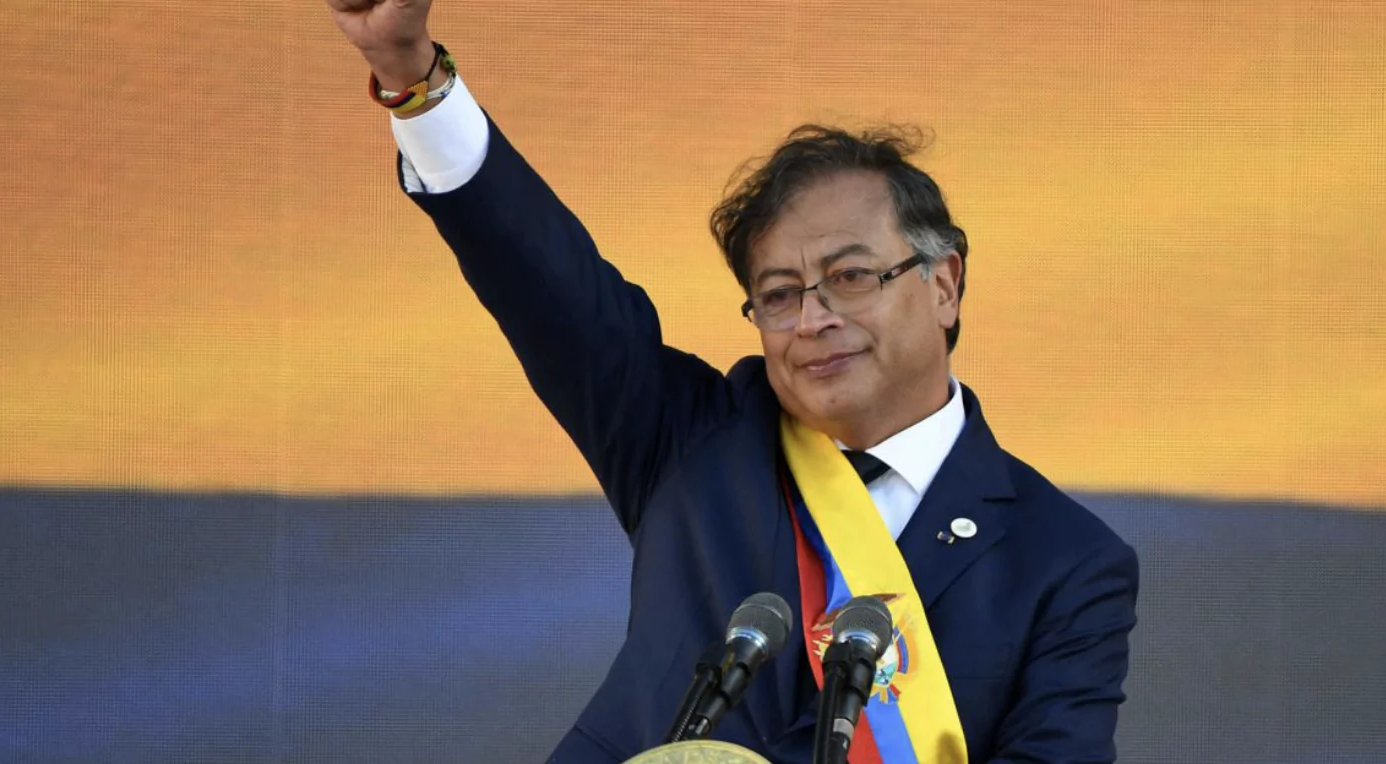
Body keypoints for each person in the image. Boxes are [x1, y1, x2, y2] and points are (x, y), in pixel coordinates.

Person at [326, 1, 1139, 761]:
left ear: (944, 284)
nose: (812, 318)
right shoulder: (693, 441)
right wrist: (412, 76)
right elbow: (547, 284)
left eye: (850, 277)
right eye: (779, 294)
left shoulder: (1066, 562)